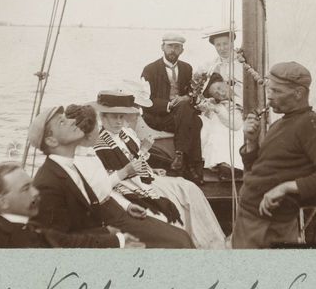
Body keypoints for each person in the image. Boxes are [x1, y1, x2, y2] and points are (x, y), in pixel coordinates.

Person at [28, 105, 195, 249]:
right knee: (179, 242)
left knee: (182, 238)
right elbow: (57, 242)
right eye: (62, 122)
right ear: (51, 141)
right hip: (104, 227)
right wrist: (115, 239)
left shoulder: (69, 165)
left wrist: (126, 205)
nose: (72, 121)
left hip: (112, 214)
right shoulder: (48, 183)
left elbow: (99, 196)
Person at [83, 90, 226, 249]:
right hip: (129, 186)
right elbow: (103, 182)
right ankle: (191, 243)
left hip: (144, 178)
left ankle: (211, 244)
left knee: (190, 188)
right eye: (113, 117)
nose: (118, 122)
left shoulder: (126, 134)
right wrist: (127, 170)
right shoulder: (97, 144)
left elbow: (135, 160)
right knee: (176, 201)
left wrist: (151, 168)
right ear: (103, 117)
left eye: (121, 117)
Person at [231, 61, 316, 249]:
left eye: (276, 91)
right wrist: (251, 142)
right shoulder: (279, 124)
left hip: (269, 228)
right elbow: (256, 168)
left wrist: (285, 188)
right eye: (269, 90)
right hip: (247, 219)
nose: (269, 96)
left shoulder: (313, 125)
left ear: (298, 93)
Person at [0, 162, 143, 248]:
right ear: (2, 202)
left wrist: (119, 240)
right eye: (26, 189)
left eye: (32, 186)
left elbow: (71, 242)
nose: (36, 192)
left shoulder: (34, 228)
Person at [141, 33, 203, 184]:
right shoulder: (150, 69)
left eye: (177, 47)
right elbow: (144, 100)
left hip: (180, 116)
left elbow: (191, 93)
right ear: (162, 47)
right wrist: (168, 105)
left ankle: (181, 157)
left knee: (192, 117)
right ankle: (191, 166)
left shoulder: (186, 68)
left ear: (182, 50)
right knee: (195, 121)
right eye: (170, 46)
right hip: (159, 117)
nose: (173, 50)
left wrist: (187, 98)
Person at [196, 72, 244, 172]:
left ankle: (230, 163)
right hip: (234, 125)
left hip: (245, 124)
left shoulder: (241, 89)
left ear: (224, 82)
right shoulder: (222, 104)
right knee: (216, 122)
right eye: (216, 94)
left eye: (219, 88)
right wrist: (211, 109)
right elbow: (236, 124)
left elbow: (237, 124)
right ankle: (224, 162)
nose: (221, 93)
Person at [200, 28, 243, 104]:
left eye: (225, 44)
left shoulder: (242, 62)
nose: (222, 48)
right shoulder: (211, 65)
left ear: (232, 43)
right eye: (218, 45)